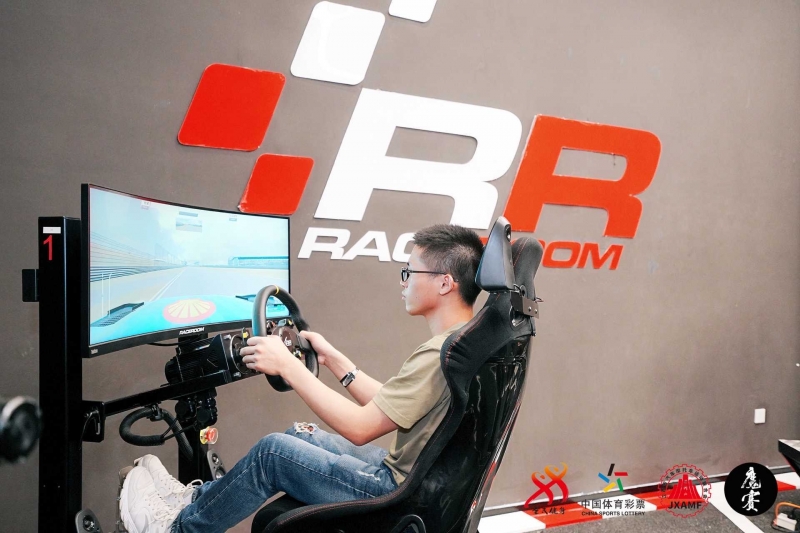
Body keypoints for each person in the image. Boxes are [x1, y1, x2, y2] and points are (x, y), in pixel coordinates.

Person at [118, 224, 485, 533]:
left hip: (395, 492)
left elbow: (362, 428)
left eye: (409, 273)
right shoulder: (463, 342)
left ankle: (177, 527)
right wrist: (334, 360)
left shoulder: (440, 353)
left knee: (272, 453)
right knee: (300, 434)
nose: (402, 282)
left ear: (445, 283)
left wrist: (289, 367)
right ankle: (196, 501)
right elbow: (392, 404)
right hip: (416, 479)